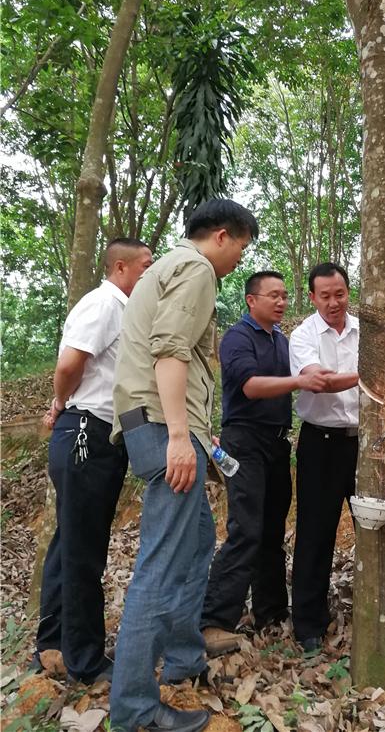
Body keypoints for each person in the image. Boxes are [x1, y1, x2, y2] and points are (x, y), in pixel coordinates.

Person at [109, 199, 258, 732]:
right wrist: (177, 433)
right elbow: (169, 350)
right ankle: (134, 709)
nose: (240, 258)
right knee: (160, 563)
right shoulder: (195, 269)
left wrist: (193, 427)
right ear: (222, 236)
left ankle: (183, 658)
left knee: (195, 542)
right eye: (241, 247)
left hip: (163, 423)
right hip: (160, 427)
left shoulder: (168, 268)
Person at [34, 238, 153, 684]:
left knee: (72, 542)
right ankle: (84, 659)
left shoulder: (126, 311)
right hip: (87, 430)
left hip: (101, 432)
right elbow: (69, 364)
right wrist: (60, 402)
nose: (150, 273)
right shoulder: (104, 303)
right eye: (145, 265)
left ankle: (51, 644)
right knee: (83, 550)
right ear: (120, 267)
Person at [200, 271, 333, 656]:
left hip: (277, 442)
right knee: (246, 528)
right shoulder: (238, 338)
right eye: (273, 296)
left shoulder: (282, 340)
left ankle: (270, 612)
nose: (281, 302)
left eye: (285, 296)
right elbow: (250, 386)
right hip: (244, 440)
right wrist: (299, 383)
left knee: (272, 530)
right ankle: (214, 621)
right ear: (250, 300)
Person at [289, 262, 360, 653]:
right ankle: (308, 622)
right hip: (321, 443)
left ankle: (377, 610)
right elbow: (319, 381)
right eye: (325, 296)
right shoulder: (302, 336)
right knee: (316, 533)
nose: (334, 303)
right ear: (313, 297)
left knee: (376, 529)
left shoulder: (364, 332)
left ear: (349, 292)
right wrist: (367, 374)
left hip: (366, 444)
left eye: (340, 294)